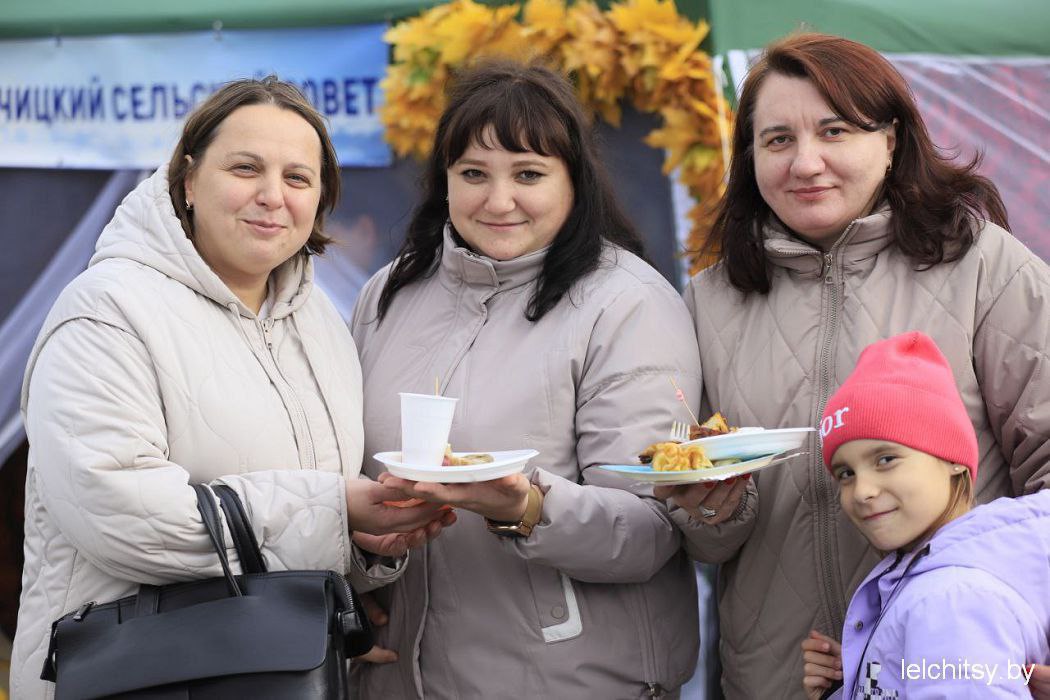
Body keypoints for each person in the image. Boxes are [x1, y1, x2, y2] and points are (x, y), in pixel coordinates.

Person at [11, 77, 453, 698]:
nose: (272, 196)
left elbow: (310, 511)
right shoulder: (106, 312)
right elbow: (120, 518)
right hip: (137, 680)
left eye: (298, 178)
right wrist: (332, 510)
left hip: (273, 674)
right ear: (188, 179)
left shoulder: (320, 323)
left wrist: (363, 543)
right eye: (246, 168)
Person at [655, 32, 1050, 698]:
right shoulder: (709, 303)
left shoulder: (984, 267)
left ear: (890, 139)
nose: (805, 162)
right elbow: (708, 543)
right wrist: (711, 508)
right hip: (780, 677)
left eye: (834, 131)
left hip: (950, 666)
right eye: (778, 140)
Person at [349, 61, 703, 698]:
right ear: (443, 181)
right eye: (473, 174)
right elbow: (352, 474)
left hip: (570, 681)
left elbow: (654, 529)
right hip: (401, 679)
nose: (498, 200)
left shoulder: (627, 304)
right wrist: (364, 558)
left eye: (529, 174)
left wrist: (527, 509)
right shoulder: (388, 294)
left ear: (574, 182)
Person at [801, 332, 1050, 698]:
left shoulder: (950, 601)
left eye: (886, 459)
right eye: (846, 473)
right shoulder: (937, 588)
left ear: (952, 459)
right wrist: (863, 676)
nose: (862, 490)